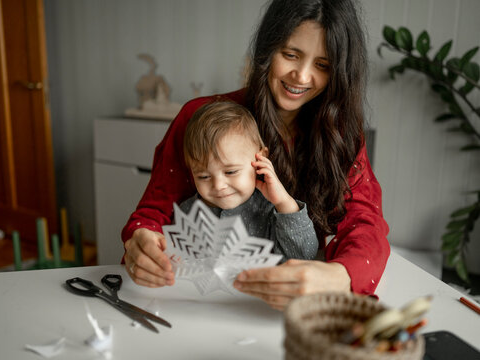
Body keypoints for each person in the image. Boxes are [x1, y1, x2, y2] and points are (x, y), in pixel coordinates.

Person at [122, 0, 390, 310]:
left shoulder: (340, 133)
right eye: (290, 55)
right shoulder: (199, 117)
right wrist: (141, 239)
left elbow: (365, 222)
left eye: (323, 65)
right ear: (266, 50)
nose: (302, 76)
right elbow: (153, 214)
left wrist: (342, 276)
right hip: (191, 303)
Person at [180, 101, 318, 261]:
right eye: (203, 176)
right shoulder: (187, 211)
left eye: (231, 172)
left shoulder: (271, 210)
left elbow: (303, 255)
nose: (218, 186)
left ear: (260, 159)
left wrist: (284, 202)